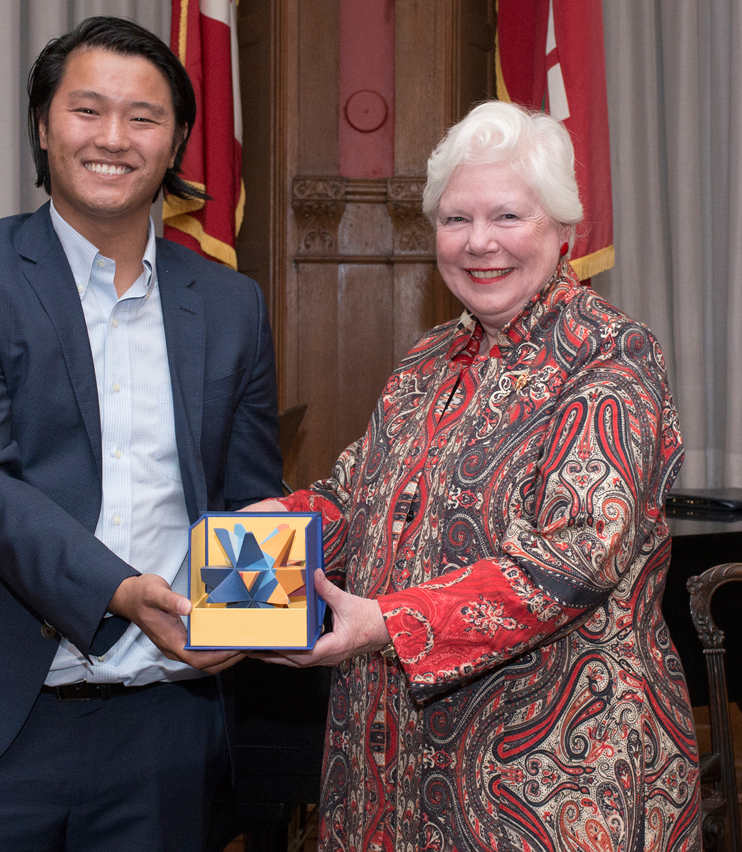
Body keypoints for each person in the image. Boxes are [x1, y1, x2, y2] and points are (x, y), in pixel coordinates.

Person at [0, 16, 282, 851]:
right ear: (43, 126)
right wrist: (121, 591)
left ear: (177, 137)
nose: (114, 138)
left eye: (144, 118)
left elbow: (248, 490)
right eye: (87, 111)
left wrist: (251, 620)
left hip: (166, 715)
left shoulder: (230, 302)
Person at [248, 101, 701, 851]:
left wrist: (388, 623)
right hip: (386, 771)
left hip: (550, 780)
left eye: (507, 217)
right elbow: (355, 497)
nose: (479, 243)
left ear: (563, 232)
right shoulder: (425, 362)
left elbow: (574, 555)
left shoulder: (612, 357)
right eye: (456, 220)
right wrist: (284, 521)